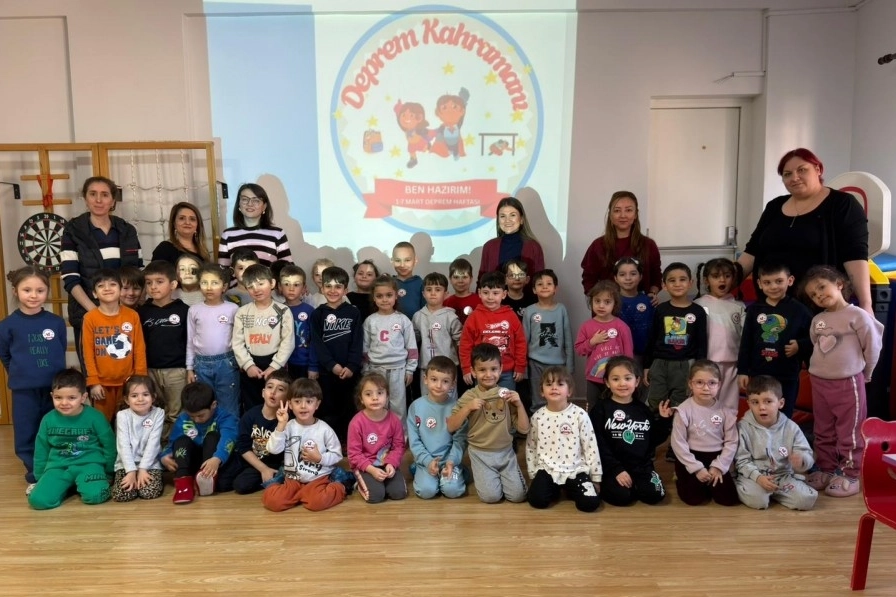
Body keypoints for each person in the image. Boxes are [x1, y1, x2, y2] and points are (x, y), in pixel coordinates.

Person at [737, 148, 872, 313]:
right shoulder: (774, 206)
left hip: (819, 309)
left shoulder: (842, 204)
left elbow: (855, 257)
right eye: (787, 174)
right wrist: (724, 282)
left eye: (802, 170)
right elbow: (752, 251)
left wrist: (866, 305)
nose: (794, 178)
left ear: (818, 169)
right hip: (772, 307)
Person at [803, 266, 883, 498]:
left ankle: (850, 474)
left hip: (848, 382)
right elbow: (815, 343)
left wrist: (866, 373)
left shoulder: (858, 315)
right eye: (813, 294)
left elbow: (873, 346)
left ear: (839, 284)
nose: (818, 295)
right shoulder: (818, 319)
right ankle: (826, 468)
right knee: (823, 428)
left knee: (850, 431)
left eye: (821, 287)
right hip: (819, 382)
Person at [61, 176, 143, 368]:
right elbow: (70, 278)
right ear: (85, 198)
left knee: (127, 370)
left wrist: (123, 309)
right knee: (94, 372)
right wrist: (96, 313)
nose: (99, 200)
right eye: (93, 194)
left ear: (113, 200)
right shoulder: (73, 230)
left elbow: (137, 272)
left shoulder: (127, 230)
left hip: (124, 314)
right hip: (89, 313)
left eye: (105, 195)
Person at [0, 266, 67, 489]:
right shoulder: (7, 325)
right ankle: (35, 473)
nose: (33, 295)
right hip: (24, 390)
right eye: (27, 290)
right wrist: (21, 373)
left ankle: (58, 468)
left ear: (47, 291)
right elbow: (5, 355)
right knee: (26, 432)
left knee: (55, 429)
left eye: (40, 290)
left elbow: (59, 350)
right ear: (15, 291)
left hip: (54, 390)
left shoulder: (56, 322)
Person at [447, 343, 529, 503]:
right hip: (480, 454)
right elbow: (451, 426)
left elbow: (524, 430)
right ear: (473, 371)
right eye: (482, 370)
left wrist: (519, 405)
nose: (488, 374)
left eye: (493, 369)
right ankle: (489, 477)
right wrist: (467, 408)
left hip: (505, 452)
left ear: (501, 369)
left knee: (518, 496)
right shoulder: (469, 396)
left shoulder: (508, 395)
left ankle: (502, 477)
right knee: (491, 497)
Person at [28, 369, 116, 510]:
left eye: (71, 398)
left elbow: (109, 446)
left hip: (89, 464)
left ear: (83, 397)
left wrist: (109, 473)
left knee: (96, 495)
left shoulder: (96, 417)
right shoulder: (48, 419)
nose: (64, 403)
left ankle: (80, 484)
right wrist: (40, 478)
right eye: (58, 397)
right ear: (52, 396)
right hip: (58, 467)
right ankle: (68, 486)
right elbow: (41, 450)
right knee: (38, 501)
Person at [591, 357, 672, 507]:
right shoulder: (600, 409)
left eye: (628, 378)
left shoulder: (643, 410)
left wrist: (664, 420)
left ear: (637, 381)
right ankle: (626, 487)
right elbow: (598, 444)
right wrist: (616, 469)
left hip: (641, 467)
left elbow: (653, 439)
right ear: (607, 382)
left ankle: (637, 485)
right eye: (616, 379)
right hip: (613, 466)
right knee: (622, 497)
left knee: (655, 495)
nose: (622, 383)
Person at [736, 263, 813, 418]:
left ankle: (783, 435)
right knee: (760, 413)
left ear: (790, 280)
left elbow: (814, 337)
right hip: (759, 373)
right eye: (767, 282)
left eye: (779, 281)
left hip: (787, 374)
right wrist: (742, 370)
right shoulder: (754, 310)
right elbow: (746, 342)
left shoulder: (800, 310)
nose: (773, 287)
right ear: (759, 284)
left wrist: (800, 345)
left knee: (784, 415)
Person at [262, 378, 348, 512]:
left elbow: (337, 455)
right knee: (271, 501)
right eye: (297, 401)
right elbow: (273, 449)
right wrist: (281, 425)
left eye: (309, 402)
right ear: (290, 404)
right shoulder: (287, 426)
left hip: (318, 478)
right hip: (293, 479)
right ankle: (302, 494)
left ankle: (340, 484)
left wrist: (319, 458)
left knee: (316, 503)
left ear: (317, 404)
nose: (303, 406)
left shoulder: (324, 429)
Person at [734, 376, 817, 510]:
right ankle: (753, 490)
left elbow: (806, 453)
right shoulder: (743, 428)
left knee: (806, 500)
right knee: (758, 501)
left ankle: (775, 492)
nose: (762, 407)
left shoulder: (791, 427)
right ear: (748, 403)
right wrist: (758, 477)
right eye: (755, 402)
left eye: (768, 401)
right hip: (755, 476)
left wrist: (802, 460)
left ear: (780, 403)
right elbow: (741, 460)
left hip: (782, 476)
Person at [525, 366, 601, 512]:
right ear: (542, 391)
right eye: (549, 384)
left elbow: (590, 446)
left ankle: (569, 488)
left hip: (575, 469)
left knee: (590, 504)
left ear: (569, 391)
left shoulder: (580, 415)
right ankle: (555, 488)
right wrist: (533, 474)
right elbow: (531, 446)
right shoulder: (537, 417)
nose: (554, 388)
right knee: (536, 500)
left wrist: (596, 478)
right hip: (547, 469)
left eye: (560, 384)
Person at [670, 360, 739, 507]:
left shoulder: (725, 411)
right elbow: (678, 443)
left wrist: (719, 466)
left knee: (728, 500)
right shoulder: (683, 411)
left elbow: (731, 441)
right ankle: (681, 477)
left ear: (719, 385)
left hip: (716, 456)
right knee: (694, 499)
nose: (706, 388)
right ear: (691, 384)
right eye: (699, 382)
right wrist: (696, 468)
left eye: (712, 383)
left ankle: (709, 483)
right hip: (691, 456)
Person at [82, 269, 148, 421]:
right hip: (101, 385)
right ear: (94, 293)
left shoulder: (132, 316)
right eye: (101, 286)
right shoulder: (90, 318)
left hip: (128, 383)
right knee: (102, 422)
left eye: (112, 284)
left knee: (128, 421)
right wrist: (93, 382)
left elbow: (139, 349)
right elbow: (88, 353)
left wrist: (140, 379)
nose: (107, 288)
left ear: (120, 290)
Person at [644, 263, 708, 414]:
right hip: (659, 363)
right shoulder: (660, 309)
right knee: (655, 402)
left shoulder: (698, 311)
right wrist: (647, 366)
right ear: (664, 285)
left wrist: (700, 369)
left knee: (681, 403)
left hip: (685, 364)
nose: (677, 284)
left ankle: (676, 428)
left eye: (682, 279)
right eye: (672, 280)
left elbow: (702, 343)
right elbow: (652, 338)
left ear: (690, 283)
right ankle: (658, 428)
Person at [161, 381, 240, 504]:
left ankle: (206, 479)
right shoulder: (183, 419)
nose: (196, 420)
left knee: (212, 436)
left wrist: (217, 458)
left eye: (200, 415)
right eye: (192, 416)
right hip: (193, 461)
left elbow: (228, 439)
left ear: (213, 405)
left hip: (215, 462)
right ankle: (183, 482)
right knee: (181, 440)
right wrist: (164, 456)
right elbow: (173, 443)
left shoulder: (225, 417)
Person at [232, 264, 295, 413]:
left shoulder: (283, 310)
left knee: (276, 401)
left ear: (272, 283)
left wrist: (274, 366)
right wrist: (248, 365)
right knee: (252, 404)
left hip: (275, 363)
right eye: (251, 286)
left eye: (261, 283)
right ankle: (255, 427)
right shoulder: (243, 312)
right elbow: (237, 342)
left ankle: (278, 426)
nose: (256, 289)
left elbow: (288, 341)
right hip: (251, 364)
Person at [310, 266, 363, 441]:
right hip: (327, 372)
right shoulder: (317, 314)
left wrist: (351, 366)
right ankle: (330, 442)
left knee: (349, 407)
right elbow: (318, 344)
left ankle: (348, 442)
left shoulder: (353, 312)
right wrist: (332, 365)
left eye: (338, 286)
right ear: (322, 288)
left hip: (350, 372)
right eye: (328, 286)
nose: (333, 291)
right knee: (328, 409)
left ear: (345, 290)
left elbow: (357, 341)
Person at [139, 260, 190, 433]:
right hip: (150, 370)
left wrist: (189, 368)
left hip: (176, 371)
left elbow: (189, 342)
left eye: (159, 282)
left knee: (176, 413)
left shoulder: (184, 310)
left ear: (173, 284)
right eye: (149, 283)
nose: (153, 287)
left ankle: (173, 444)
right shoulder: (142, 312)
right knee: (152, 411)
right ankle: (156, 444)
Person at [407, 357, 468, 499]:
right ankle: (418, 469)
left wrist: (451, 462)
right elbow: (414, 441)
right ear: (425, 379)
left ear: (453, 384)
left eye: (445, 381)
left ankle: (460, 471)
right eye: (434, 379)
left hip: (450, 461)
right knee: (426, 492)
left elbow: (460, 441)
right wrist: (428, 462)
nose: (439, 385)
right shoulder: (416, 407)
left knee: (452, 491)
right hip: (426, 461)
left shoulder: (458, 408)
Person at [581, 191, 661, 297]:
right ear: (610, 215)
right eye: (617, 210)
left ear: (635, 214)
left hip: (641, 305)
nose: (623, 215)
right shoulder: (597, 246)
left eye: (628, 210)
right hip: (608, 306)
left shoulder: (648, 245)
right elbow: (589, 281)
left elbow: (656, 278)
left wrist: (652, 293)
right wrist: (602, 300)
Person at [186, 263, 240, 418]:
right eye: (204, 282)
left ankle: (229, 433)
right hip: (201, 364)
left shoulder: (232, 309)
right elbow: (190, 340)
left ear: (224, 287)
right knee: (205, 404)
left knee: (228, 404)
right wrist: (189, 368)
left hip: (227, 363)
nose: (209, 287)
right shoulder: (194, 310)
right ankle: (210, 433)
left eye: (214, 283)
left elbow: (238, 339)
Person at [362, 275, 418, 424]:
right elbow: (365, 348)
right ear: (374, 298)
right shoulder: (370, 321)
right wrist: (366, 370)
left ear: (396, 296)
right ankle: (380, 433)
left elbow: (411, 347)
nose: (384, 299)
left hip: (398, 370)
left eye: (388, 295)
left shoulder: (403, 320)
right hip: (376, 369)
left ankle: (400, 433)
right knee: (378, 403)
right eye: (379, 296)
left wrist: (410, 369)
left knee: (398, 405)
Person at [458, 272, 527, 390]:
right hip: (482, 371)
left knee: (506, 401)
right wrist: (466, 368)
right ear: (479, 293)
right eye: (486, 293)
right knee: (483, 401)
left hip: (507, 372)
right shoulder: (474, 317)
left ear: (504, 294)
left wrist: (520, 366)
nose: (490, 297)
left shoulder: (511, 315)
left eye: (495, 293)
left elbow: (520, 342)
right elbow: (465, 345)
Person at [347, 372, 408, 503]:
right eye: (368, 394)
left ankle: (383, 480)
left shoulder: (394, 420)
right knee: (376, 496)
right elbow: (354, 454)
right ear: (361, 399)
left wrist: (391, 463)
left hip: (386, 464)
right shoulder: (356, 423)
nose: (375, 398)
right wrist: (372, 470)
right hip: (366, 466)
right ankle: (359, 482)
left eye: (380, 393)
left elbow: (399, 447)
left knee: (398, 493)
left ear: (387, 396)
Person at [694, 258, 745, 411]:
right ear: (706, 280)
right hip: (706, 364)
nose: (722, 280)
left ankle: (728, 427)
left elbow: (746, 338)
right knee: (705, 403)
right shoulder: (698, 305)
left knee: (729, 406)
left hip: (732, 365)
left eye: (727, 276)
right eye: (716, 276)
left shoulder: (739, 306)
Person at [575, 280, 634, 408]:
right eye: (597, 301)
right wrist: (592, 342)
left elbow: (628, 356)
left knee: (615, 406)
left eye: (607, 302)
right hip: (593, 379)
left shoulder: (622, 327)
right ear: (591, 302)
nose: (601, 305)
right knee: (594, 407)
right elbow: (579, 350)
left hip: (616, 379)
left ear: (614, 304)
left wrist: (626, 376)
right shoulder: (586, 326)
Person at [523, 269, 574, 414]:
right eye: (540, 284)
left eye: (549, 284)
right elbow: (524, 340)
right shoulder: (529, 311)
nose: (544, 287)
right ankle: (537, 424)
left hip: (558, 364)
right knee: (537, 398)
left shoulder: (561, 309)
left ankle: (558, 423)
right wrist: (523, 368)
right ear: (534, 289)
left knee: (558, 396)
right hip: (535, 363)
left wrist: (570, 366)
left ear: (555, 288)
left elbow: (568, 339)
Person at [231, 370, 291, 494]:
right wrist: (263, 469)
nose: (273, 392)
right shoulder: (250, 416)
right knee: (225, 483)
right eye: (270, 387)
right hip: (254, 461)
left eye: (280, 389)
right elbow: (243, 447)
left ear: (287, 398)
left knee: (241, 485)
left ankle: (275, 478)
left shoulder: (289, 421)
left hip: (275, 464)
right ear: (263, 393)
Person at [111, 375, 165, 502]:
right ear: (127, 399)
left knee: (148, 492)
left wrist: (143, 469)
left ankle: (148, 478)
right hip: (126, 464)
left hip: (150, 464)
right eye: (134, 396)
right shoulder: (122, 415)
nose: (140, 399)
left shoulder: (158, 413)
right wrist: (131, 471)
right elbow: (123, 445)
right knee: (122, 495)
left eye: (145, 394)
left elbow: (153, 444)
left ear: (153, 397)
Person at [218, 183, 292, 268]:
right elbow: (222, 271)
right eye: (245, 199)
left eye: (256, 200)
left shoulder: (278, 234)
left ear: (264, 206)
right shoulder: (227, 235)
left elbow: (288, 269)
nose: (250, 204)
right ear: (239, 204)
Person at [412, 273, 462, 398]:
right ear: (423, 293)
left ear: (446, 294)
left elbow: (460, 341)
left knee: (449, 400)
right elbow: (413, 340)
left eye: (438, 290)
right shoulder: (418, 316)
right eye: (429, 290)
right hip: (426, 367)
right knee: (427, 399)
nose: (433, 293)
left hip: (448, 368)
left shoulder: (451, 316)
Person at [478, 197, 544, 285]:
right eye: (502, 216)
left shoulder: (534, 247)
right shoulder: (489, 247)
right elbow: (481, 282)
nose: (507, 220)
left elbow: (539, 282)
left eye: (512, 215)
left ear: (521, 219)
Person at [278, 264, 317, 380]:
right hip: (282, 363)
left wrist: (313, 366)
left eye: (296, 285)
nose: (291, 288)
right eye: (286, 284)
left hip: (304, 364)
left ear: (304, 288)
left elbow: (315, 341)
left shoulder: (310, 311)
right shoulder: (276, 310)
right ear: (279, 287)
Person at [614, 257, 654, 366]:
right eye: (622, 274)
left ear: (640, 276)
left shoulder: (649, 301)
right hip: (618, 356)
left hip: (645, 357)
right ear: (616, 278)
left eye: (633, 274)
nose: (628, 278)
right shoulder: (611, 302)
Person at [392, 241, 424, 316]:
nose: (402, 265)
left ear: (415, 261)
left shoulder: (421, 284)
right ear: (392, 261)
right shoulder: (388, 283)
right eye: (397, 260)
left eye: (407, 260)